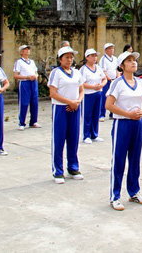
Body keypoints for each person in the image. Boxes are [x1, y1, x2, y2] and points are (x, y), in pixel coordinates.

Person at [105, 50, 142, 211]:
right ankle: (115, 196)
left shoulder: (139, 82)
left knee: (135, 158)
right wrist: (128, 114)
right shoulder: (117, 83)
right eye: (129, 60)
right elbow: (109, 105)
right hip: (122, 124)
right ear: (122, 65)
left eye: (134, 60)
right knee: (119, 159)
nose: (134, 63)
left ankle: (134, 191)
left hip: (138, 124)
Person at [48, 46, 85, 183]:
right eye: (67, 57)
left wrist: (77, 102)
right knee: (59, 139)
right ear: (60, 59)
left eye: (71, 57)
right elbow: (53, 93)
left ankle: (73, 167)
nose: (69, 60)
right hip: (61, 109)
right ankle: (58, 170)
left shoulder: (76, 73)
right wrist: (69, 102)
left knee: (73, 138)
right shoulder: (56, 73)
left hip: (75, 108)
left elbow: (81, 90)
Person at [80, 49, 107, 144]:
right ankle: (86, 135)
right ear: (87, 57)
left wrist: (101, 85)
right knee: (87, 114)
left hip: (98, 93)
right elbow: (81, 83)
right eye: (92, 56)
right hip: (88, 94)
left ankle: (94, 134)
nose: (94, 58)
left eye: (95, 56)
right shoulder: (83, 69)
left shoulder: (98, 68)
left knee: (96, 113)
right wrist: (93, 87)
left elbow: (104, 79)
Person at [13, 45, 41, 131]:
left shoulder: (32, 62)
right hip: (25, 83)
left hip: (33, 82)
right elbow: (15, 75)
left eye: (28, 49)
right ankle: (22, 122)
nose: (27, 51)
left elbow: (36, 72)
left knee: (34, 102)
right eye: (25, 50)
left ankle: (33, 121)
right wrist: (27, 77)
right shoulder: (19, 62)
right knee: (24, 102)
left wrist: (35, 76)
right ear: (21, 52)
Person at [99, 43, 118, 121]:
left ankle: (112, 113)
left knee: (114, 96)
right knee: (104, 97)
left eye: (112, 48)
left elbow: (117, 69)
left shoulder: (115, 58)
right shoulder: (103, 59)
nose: (111, 50)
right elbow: (103, 70)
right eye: (109, 48)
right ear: (106, 50)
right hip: (107, 80)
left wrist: (117, 76)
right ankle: (102, 114)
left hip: (114, 80)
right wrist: (109, 78)